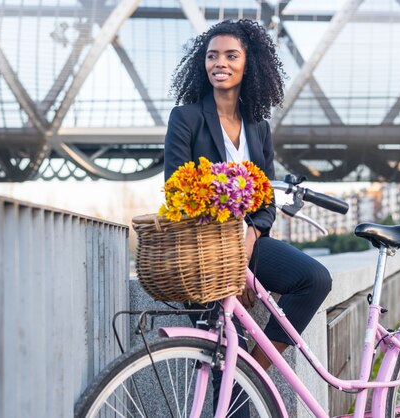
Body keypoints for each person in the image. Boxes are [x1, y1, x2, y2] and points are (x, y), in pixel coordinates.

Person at [164, 19, 333, 415]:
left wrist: (251, 238)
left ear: (247, 64)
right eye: (211, 56)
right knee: (224, 352)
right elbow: (175, 188)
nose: (219, 63)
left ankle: (257, 371)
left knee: (314, 280)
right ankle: (241, 382)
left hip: (248, 244)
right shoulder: (185, 118)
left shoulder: (258, 127)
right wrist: (228, 248)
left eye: (230, 55)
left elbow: (267, 202)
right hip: (202, 249)